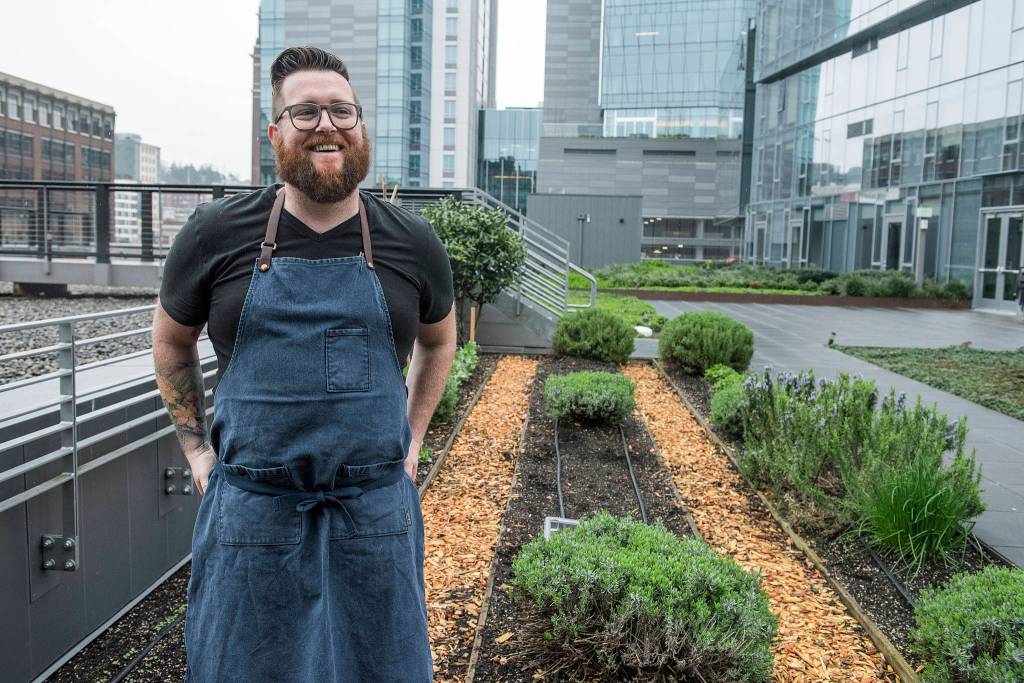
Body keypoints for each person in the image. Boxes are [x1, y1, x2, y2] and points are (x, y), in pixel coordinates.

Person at [151, 46, 455, 681]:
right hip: (252, 518)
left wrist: (414, 439)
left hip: (372, 517)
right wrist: (197, 452)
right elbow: (171, 343)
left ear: (361, 125)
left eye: (341, 111)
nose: (327, 125)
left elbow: (439, 341)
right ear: (275, 133)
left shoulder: (412, 242)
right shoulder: (215, 234)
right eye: (306, 112)